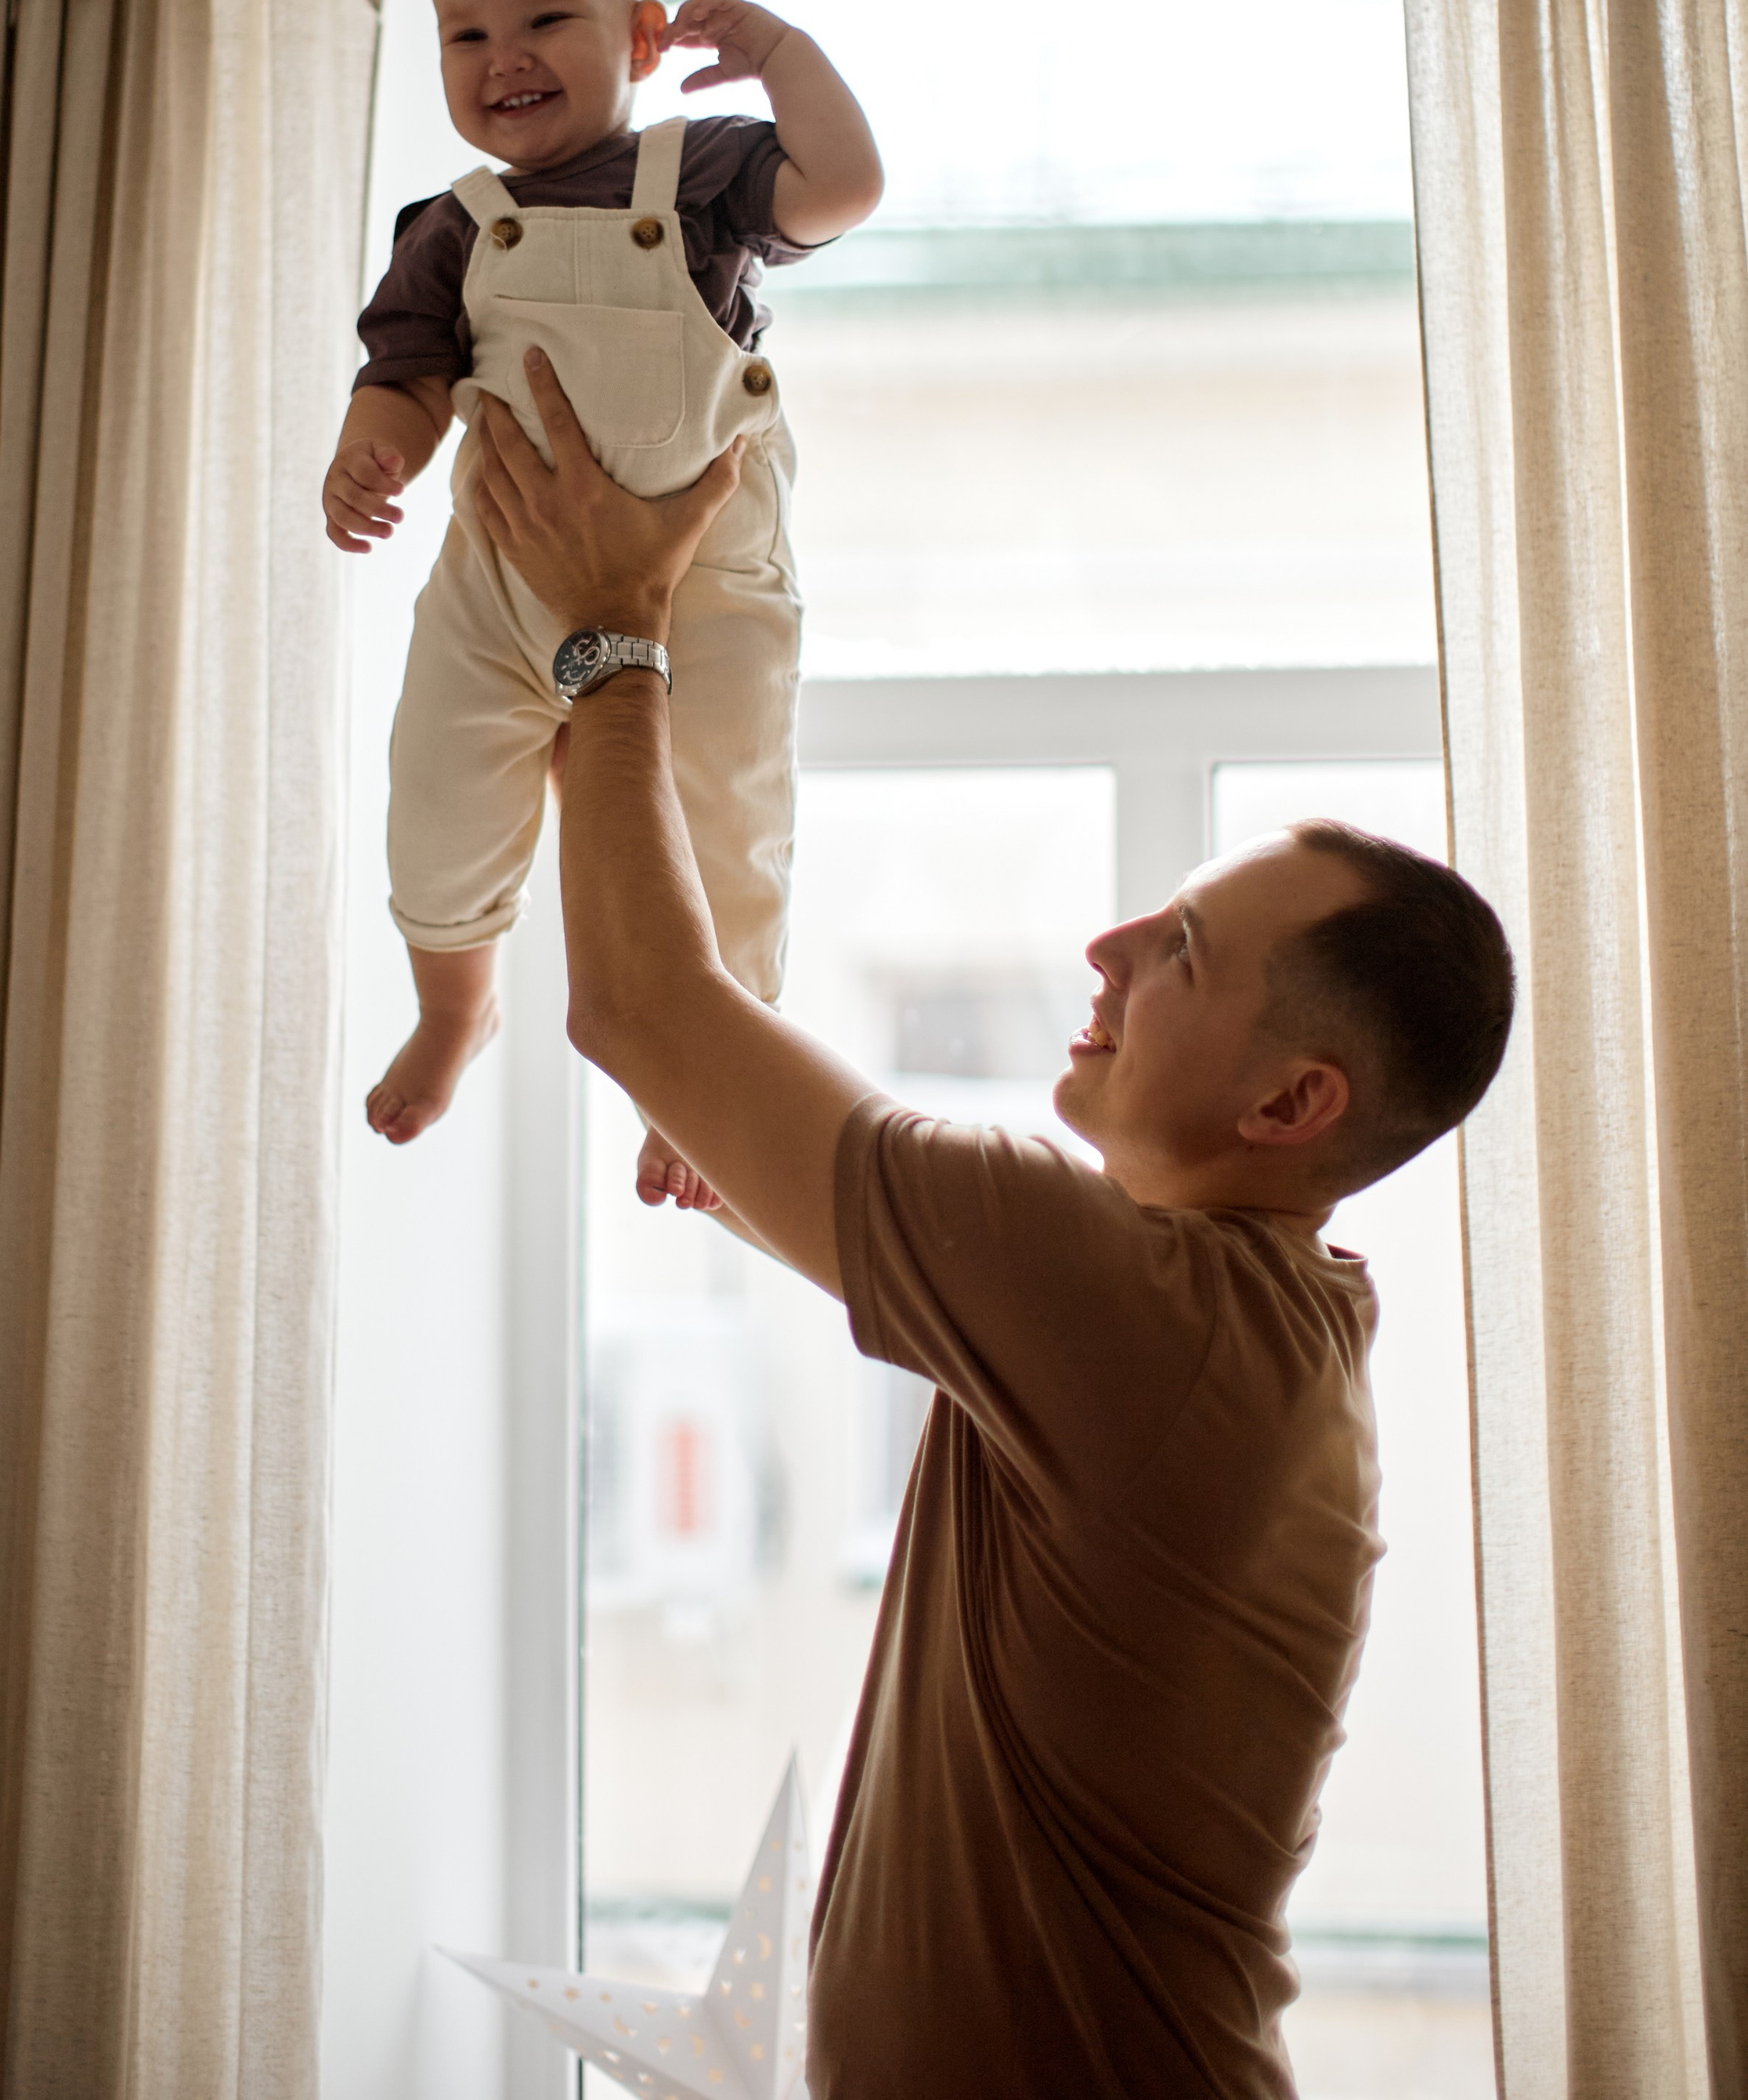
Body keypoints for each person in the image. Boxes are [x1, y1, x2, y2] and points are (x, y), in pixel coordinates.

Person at [468, 348, 1517, 2100]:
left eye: (1179, 953)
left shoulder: (1147, 1314)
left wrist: (610, 632)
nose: (1108, 946)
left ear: (1290, 1106)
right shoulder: (1247, 1321)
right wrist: (766, 1170)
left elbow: (639, 1011)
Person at [321, 0, 882, 1193]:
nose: (502, 57)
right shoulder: (452, 228)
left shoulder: (703, 176)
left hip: (705, 586)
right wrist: (369, 457)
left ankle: (709, 1077)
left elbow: (845, 185)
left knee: (723, 817)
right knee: (437, 799)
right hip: (503, 575)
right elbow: (405, 378)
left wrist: (781, 55)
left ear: (640, 37)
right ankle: (456, 1007)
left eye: (543, 20)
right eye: (466, 34)